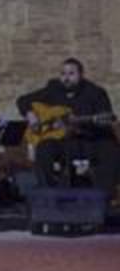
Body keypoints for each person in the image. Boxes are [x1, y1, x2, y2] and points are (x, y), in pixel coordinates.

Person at [17, 58, 118, 202]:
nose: (66, 78)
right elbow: (23, 100)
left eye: (71, 74)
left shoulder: (96, 93)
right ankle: (48, 194)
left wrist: (82, 124)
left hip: (90, 140)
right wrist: (31, 115)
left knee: (110, 149)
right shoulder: (53, 89)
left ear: (81, 75)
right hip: (65, 142)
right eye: (63, 73)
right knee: (44, 148)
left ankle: (103, 197)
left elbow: (106, 120)